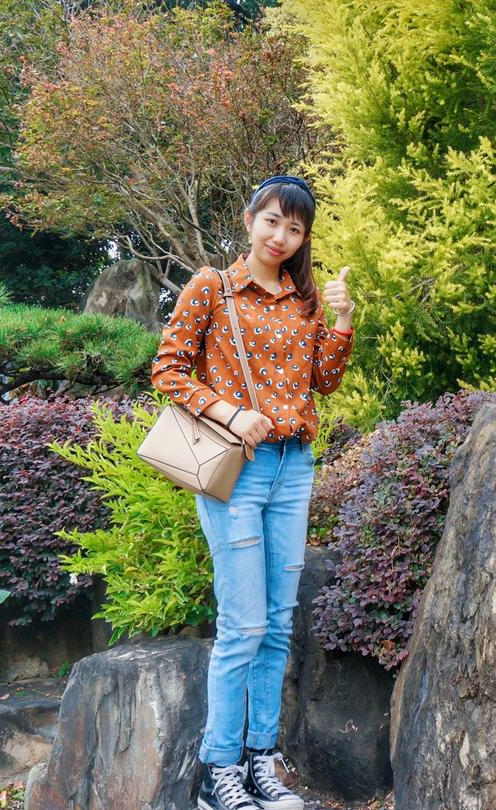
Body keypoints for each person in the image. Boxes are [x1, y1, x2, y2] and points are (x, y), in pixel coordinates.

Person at [149, 174, 355, 810]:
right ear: (249, 219)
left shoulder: (303, 299)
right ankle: (219, 771)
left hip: (294, 467)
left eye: (295, 228)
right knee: (243, 625)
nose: (281, 236)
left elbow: (323, 381)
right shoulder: (212, 287)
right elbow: (167, 369)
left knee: (277, 625)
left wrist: (342, 320)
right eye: (272, 221)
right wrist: (231, 413)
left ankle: (262, 760)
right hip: (236, 469)